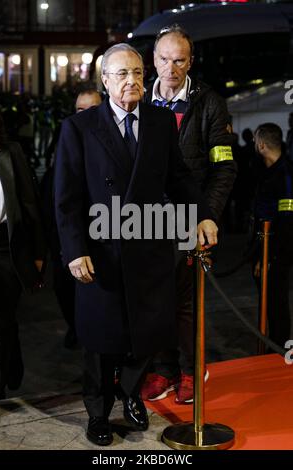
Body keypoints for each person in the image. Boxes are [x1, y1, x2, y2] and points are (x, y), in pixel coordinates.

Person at [55, 43, 218, 446]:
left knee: (142, 331)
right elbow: (66, 197)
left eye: (138, 73)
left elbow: (178, 179)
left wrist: (201, 214)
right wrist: (75, 249)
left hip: (148, 247)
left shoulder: (162, 123)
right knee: (99, 338)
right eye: (122, 74)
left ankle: (131, 396)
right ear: (105, 80)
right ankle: (98, 413)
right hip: (101, 250)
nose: (132, 80)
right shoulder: (79, 127)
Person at [142, 24, 237, 403]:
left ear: (190, 61)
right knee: (154, 300)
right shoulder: (142, 99)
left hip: (189, 219)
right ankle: (162, 369)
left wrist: (206, 215)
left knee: (186, 305)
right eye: (164, 59)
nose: (171, 67)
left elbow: (225, 167)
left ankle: (190, 371)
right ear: (154, 60)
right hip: (146, 222)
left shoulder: (209, 103)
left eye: (179, 60)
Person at [40, 88, 102, 349]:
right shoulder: (65, 134)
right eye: (80, 110)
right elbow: (53, 194)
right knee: (65, 292)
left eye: (92, 109)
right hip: (65, 241)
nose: (85, 116)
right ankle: (76, 330)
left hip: (102, 237)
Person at [0, 105, 46, 400]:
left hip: (5, 247)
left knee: (4, 317)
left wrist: (38, 253)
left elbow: (30, 204)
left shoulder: (10, 152)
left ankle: (9, 360)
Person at [252, 123, 293, 348]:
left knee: (277, 301)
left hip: (277, 250)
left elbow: (286, 222)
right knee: (268, 300)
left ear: (262, 145)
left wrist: (267, 257)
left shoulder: (285, 175)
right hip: (262, 245)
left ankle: (279, 348)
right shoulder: (267, 171)